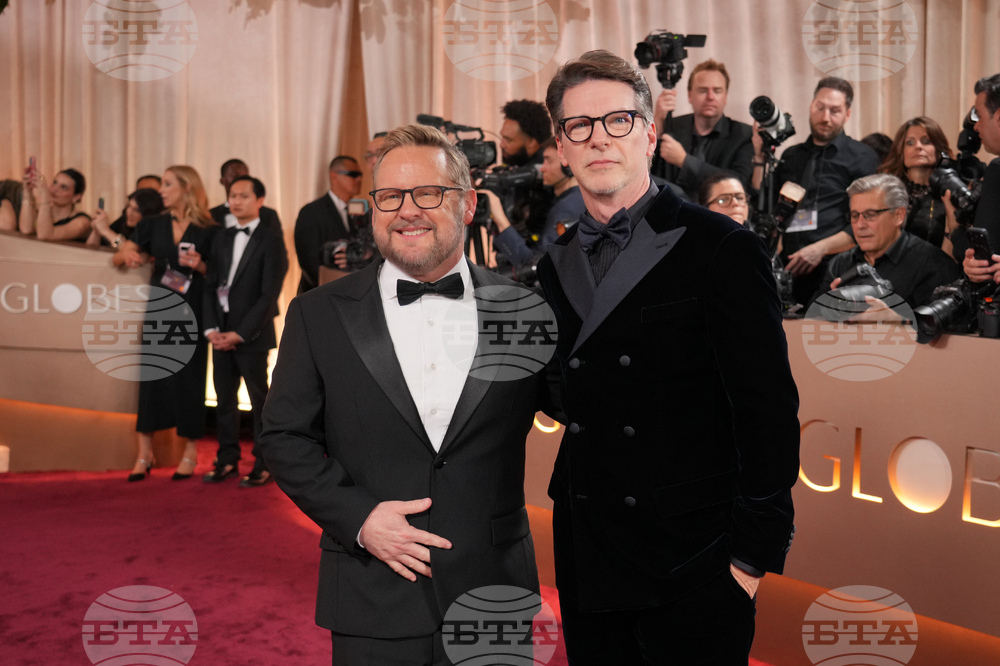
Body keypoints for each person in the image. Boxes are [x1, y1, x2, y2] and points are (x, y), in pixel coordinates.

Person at [536, 49, 800, 664]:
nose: (599, 139)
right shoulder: (555, 262)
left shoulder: (723, 247)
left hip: (696, 563)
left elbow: (768, 412)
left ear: (650, 134)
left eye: (618, 121)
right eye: (580, 126)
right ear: (563, 144)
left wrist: (749, 561)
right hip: (589, 553)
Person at [259, 124, 555, 665]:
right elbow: (283, 438)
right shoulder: (317, 313)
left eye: (428, 194)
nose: (407, 210)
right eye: (390, 196)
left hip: (494, 593)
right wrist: (360, 519)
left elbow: (588, 413)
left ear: (467, 206)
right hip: (372, 592)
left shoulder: (524, 311)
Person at [113, 165, 218, 482]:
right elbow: (122, 253)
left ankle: (190, 452)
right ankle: (144, 453)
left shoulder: (209, 229)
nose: (161, 190)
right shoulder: (153, 224)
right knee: (152, 379)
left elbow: (220, 275)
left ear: (187, 188)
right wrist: (128, 255)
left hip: (194, 310)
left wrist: (200, 265)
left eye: (168, 184)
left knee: (190, 380)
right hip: (159, 310)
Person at [753, 77, 879, 305]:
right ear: (811, 106)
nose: (825, 117)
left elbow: (867, 220)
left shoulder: (862, 156)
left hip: (837, 266)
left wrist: (819, 249)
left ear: (847, 114)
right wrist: (760, 156)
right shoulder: (791, 156)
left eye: (835, 111)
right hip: (788, 266)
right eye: (820, 108)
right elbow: (763, 206)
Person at [202, 176, 288, 487]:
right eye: (232, 196)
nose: (236, 201)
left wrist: (240, 333)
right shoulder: (221, 237)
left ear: (260, 201)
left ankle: (263, 464)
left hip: (251, 336)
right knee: (223, 400)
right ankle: (226, 460)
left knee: (258, 401)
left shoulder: (271, 239)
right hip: (220, 334)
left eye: (243, 196)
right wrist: (212, 329)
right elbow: (211, 286)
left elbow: (269, 295)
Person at [813, 174, 961, 312]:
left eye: (870, 215)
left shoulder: (934, 266)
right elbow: (810, 320)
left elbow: (940, 332)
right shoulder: (840, 263)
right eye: (854, 215)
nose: (860, 225)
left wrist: (897, 320)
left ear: (898, 216)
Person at [650, 59, 754, 200]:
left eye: (717, 91)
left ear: (725, 97)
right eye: (703, 90)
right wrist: (657, 126)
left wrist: (684, 161)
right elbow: (648, 175)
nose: (710, 97)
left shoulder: (744, 134)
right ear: (689, 95)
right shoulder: (671, 126)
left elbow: (738, 182)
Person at [486, 137, 586, 270]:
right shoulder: (576, 198)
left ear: (567, 165)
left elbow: (535, 266)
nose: (542, 168)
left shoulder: (567, 206)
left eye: (548, 161)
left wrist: (501, 220)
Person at [879, 117, 957, 250]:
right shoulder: (886, 191)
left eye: (926, 141)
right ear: (901, 151)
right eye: (910, 143)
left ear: (939, 151)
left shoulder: (949, 194)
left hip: (938, 266)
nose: (918, 146)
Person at [293, 155, 363, 292]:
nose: (359, 179)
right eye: (353, 174)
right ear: (334, 177)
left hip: (352, 293)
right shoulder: (311, 211)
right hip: (319, 293)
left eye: (360, 174)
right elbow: (308, 261)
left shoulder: (359, 211)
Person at [958, 74, 1000, 284]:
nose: (975, 127)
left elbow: (988, 256)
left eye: (980, 117)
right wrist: (973, 264)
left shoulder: (997, 170)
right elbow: (984, 264)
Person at [19, 166, 92, 241]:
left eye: (64, 187)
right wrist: (27, 192)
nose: (55, 189)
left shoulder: (82, 222)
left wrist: (45, 196)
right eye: (55, 182)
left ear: (76, 197)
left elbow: (45, 235)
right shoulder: (42, 213)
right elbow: (26, 230)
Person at [208, 159, 282, 230]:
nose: (241, 181)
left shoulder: (268, 215)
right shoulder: (210, 215)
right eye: (235, 177)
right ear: (222, 181)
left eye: (245, 177)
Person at [87, 188, 165, 248]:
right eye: (129, 206)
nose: (129, 213)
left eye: (136, 210)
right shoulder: (124, 220)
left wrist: (106, 231)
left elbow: (127, 251)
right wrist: (96, 230)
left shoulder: (154, 231)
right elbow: (91, 251)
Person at [500, 99, 552, 166]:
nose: (501, 145)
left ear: (531, 142)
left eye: (508, 140)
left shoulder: (546, 172)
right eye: (502, 137)